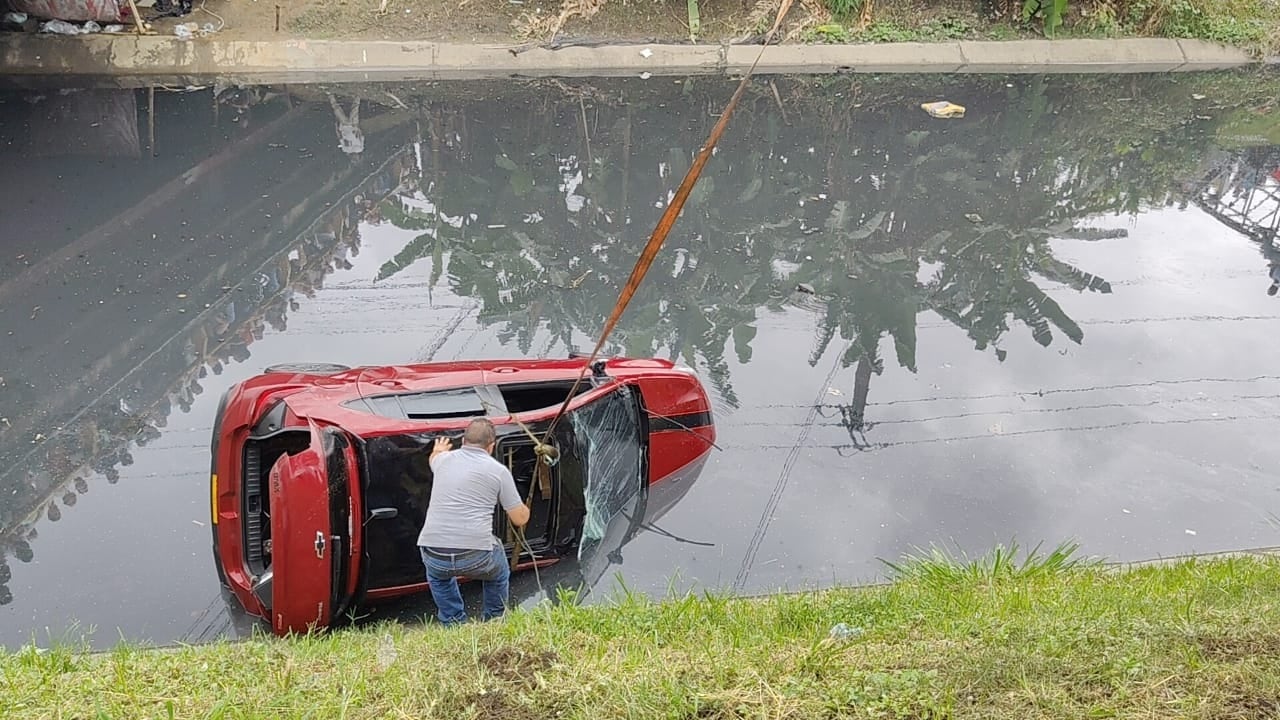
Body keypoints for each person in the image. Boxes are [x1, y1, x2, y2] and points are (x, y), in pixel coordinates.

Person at [417, 418, 529, 625]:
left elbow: (434, 457)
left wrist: (439, 448)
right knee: (499, 572)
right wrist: (526, 508)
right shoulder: (498, 471)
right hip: (475, 556)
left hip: (433, 553)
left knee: (440, 578)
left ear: (463, 441)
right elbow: (519, 519)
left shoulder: (443, 460)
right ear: (492, 445)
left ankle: (453, 622)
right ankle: (494, 620)